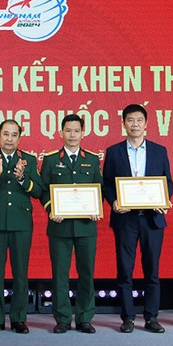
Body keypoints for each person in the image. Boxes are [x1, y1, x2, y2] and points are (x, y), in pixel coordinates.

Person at [102, 104, 173, 334]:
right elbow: (107, 184)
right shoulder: (113, 151)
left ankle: (151, 317)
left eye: (139, 120)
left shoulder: (159, 151)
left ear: (146, 124)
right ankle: (128, 318)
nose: (135, 124)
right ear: (123, 124)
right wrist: (113, 201)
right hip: (126, 220)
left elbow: (168, 182)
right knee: (125, 270)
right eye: (130, 120)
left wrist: (164, 199)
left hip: (152, 218)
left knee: (152, 270)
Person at [0, 120, 42, 334]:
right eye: (6, 134)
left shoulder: (28, 160)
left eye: (14, 135)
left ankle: (19, 319)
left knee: (21, 273)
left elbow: (39, 191)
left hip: (21, 223)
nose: (9, 139)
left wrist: (23, 180)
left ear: (20, 138)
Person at [40, 114, 103, 334]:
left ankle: (85, 318)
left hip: (86, 227)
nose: (73, 135)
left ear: (83, 133)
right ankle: (63, 319)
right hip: (60, 227)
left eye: (77, 131)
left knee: (86, 273)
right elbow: (42, 190)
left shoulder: (93, 159)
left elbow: (99, 189)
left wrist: (96, 209)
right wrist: (51, 208)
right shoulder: (50, 159)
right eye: (68, 131)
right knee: (60, 274)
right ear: (61, 133)